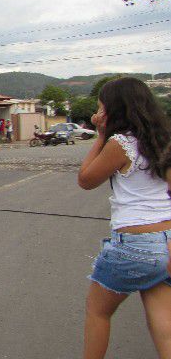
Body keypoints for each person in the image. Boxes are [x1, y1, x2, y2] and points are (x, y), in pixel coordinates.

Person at [77, 77, 171, 359]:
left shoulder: (121, 143)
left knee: (98, 311)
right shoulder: (162, 139)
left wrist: (101, 134)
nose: (99, 112)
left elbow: (86, 179)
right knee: (164, 321)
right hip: (166, 243)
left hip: (136, 244)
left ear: (113, 110)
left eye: (101, 107)